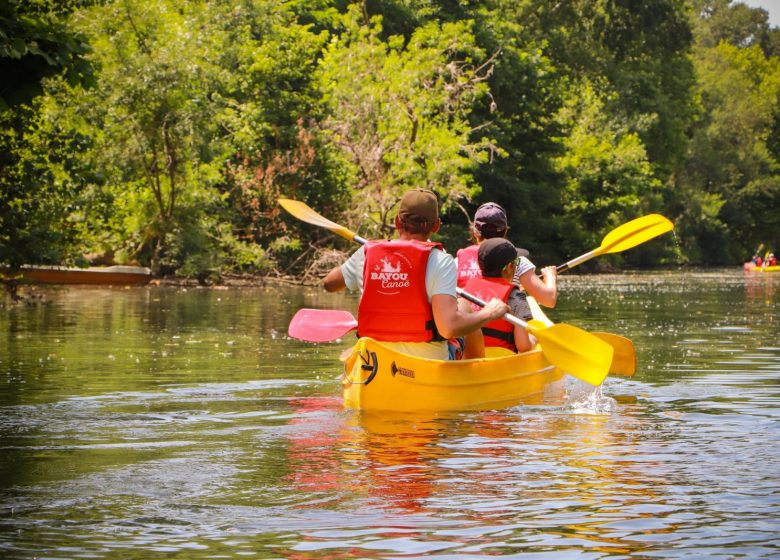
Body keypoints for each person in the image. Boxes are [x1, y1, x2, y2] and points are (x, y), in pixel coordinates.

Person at [322, 188, 511, 360]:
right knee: (465, 306)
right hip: (426, 363)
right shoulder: (441, 260)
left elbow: (329, 284)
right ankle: (475, 376)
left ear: (397, 222)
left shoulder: (366, 253)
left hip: (373, 361)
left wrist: (358, 261)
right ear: (436, 225)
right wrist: (489, 313)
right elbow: (448, 328)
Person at [456, 202, 557, 308]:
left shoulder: (458, 261)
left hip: (468, 321)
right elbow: (549, 300)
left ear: (475, 232)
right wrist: (550, 277)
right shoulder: (516, 261)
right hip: (501, 320)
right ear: (504, 231)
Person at [462, 238, 535, 353]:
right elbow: (524, 346)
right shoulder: (517, 296)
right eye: (516, 262)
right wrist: (534, 338)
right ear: (509, 267)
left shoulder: (466, 289)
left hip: (473, 356)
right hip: (501, 360)